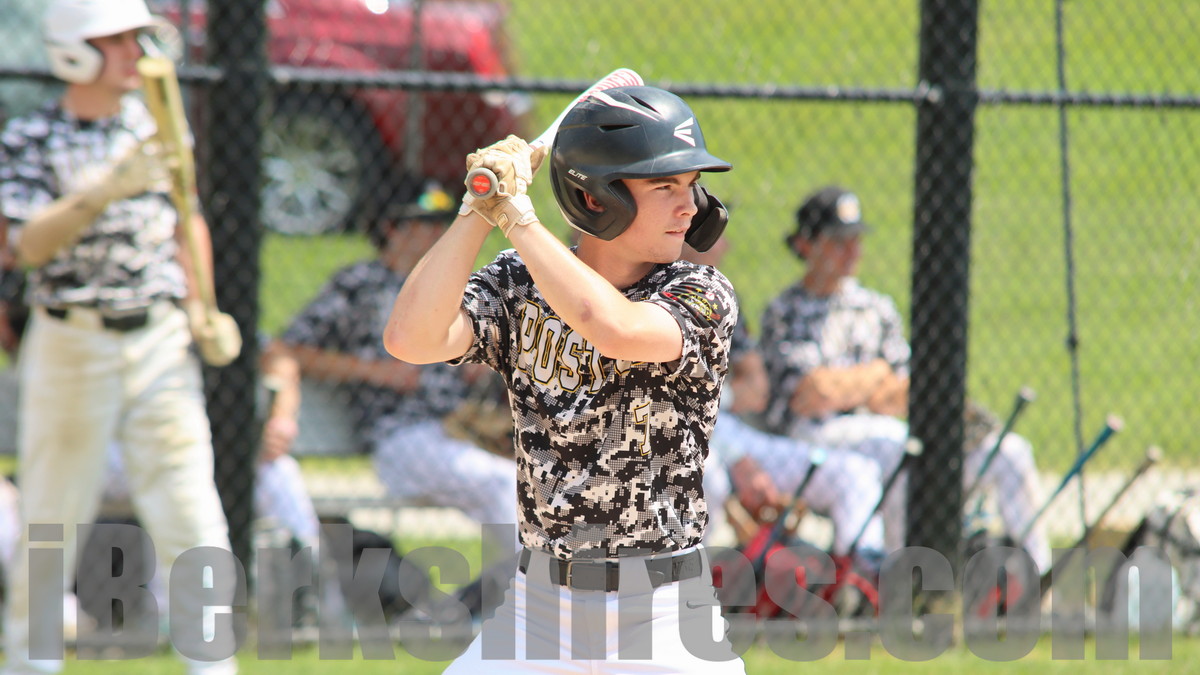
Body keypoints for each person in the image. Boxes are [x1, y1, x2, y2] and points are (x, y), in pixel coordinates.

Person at [385, 85, 745, 672]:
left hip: (660, 616)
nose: (689, 206)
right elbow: (411, 337)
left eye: (691, 185)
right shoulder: (519, 282)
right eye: (664, 187)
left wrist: (517, 217)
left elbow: (612, 326)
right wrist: (477, 209)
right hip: (539, 610)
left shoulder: (700, 291)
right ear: (595, 197)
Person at [0, 1, 241, 673]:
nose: (136, 52)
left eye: (139, 37)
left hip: (159, 337)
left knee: (190, 508)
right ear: (74, 50)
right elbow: (24, 246)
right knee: (52, 517)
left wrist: (203, 305)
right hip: (71, 341)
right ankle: (29, 662)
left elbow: (186, 215)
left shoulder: (156, 122)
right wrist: (105, 188)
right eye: (118, 40)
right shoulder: (31, 136)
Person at [757, 185, 1051, 572]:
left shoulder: (876, 308)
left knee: (1010, 452)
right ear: (804, 245)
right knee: (901, 451)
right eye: (839, 241)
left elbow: (905, 392)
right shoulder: (784, 311)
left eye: (857, 240)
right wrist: (877, 375)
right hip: (817, 439)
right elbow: (812, 394)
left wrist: (852, 387)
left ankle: (1037, 578)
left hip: (885, 429)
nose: (853, 251)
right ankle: (901, 581)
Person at [275, 184, 520, 558]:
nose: (438, 233)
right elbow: (289, 348)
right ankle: (536, 583)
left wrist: (482, 362)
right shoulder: (360, 284)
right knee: (503, 483)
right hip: (402, 436)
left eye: (441, 223)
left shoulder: (455, 285)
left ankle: (517, 584)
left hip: (464, 430)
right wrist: (373, 370)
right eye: (426, 224)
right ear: (391, 228)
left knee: (535, 483)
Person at [683, 236, 886, 563]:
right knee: (708, 479)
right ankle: (684, 580)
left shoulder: (716, 297)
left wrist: (721, 398)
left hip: (730, 430)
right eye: (714, 233)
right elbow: (672, 404)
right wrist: (733, 450)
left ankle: (861, 575)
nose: (726, 245)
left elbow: (756, 390)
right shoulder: (650, 297)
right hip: (696, 441)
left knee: (855, 473)